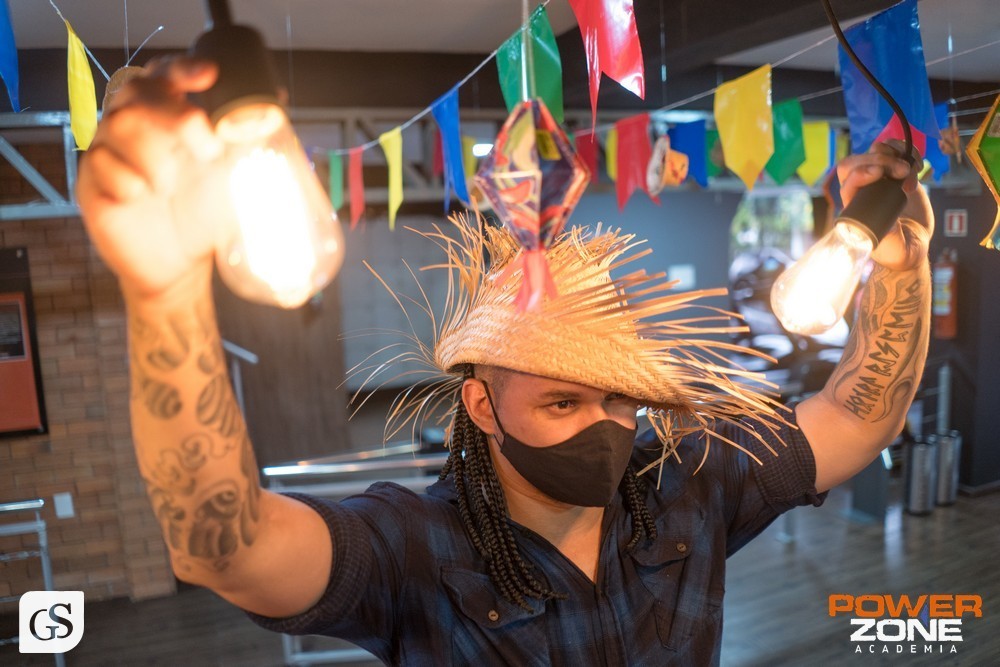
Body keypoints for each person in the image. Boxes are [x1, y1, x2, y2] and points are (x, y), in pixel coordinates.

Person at [77, 57, 932, 666]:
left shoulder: (689, 486)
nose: (604, 427)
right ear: (482, 406)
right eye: (563, 403)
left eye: (619, 400)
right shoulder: (414, 549)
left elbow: (858, 416)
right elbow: (226, 548)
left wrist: (901, 264)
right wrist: (165, 291)